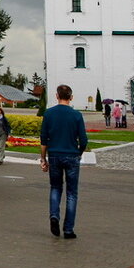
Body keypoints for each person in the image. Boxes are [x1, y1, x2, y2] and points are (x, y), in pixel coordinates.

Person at [39, 84, 88, 239]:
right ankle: (68, 230)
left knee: (55, 187)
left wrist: (43, 158)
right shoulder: (76, 115)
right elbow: (84, 140)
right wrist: (79, 153)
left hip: (54, 154)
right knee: (72, 193)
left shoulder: (49, 114)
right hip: (72, 155)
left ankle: (54, 216)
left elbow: (43, 139)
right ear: (71, 97)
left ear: (57, 96)